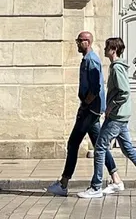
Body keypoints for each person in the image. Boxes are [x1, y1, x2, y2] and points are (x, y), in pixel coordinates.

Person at [79, 37, 136, 199]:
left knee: (100, 147)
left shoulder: (117, 68)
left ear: (113, 50)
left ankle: (96, 186)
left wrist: (110, 107)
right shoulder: (117, 67)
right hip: (121, 115)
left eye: (106, 48)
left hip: (116, 116)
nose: (104, 50)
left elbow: (124, 92)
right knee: (127, 149)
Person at [47, 31, 118, 197]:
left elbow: (95, 87)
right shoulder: (88, 59)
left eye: (79, 41)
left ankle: (64, 183)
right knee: (99, 144)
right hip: (91, 109)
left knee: (73, 143)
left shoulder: (91, 60)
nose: (77, 43)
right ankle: (116, 178)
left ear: (87, 42)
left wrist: (85, 104)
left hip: (90, 110)